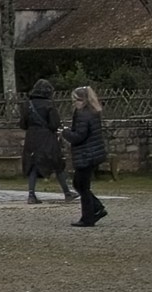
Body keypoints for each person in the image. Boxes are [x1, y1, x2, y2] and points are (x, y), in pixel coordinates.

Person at [20, 77, 71, 205]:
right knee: (56, 163)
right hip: (47, 137)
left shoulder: (28, 104)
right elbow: (55, 124)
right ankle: (67, 192)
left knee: (33, 164)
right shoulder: (49, 105)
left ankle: (31, 194)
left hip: (32, 137)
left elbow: (23, 124)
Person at [69, 84, 109, 227]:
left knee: (82, 186)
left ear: (82, 100)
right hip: (92, 152)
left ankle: (88, 217)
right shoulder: (92, 111)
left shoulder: (83, 114)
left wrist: (65, 133)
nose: (74, 103)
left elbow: (79, 136)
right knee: (79, 184)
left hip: (86, 154)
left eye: (76, 100)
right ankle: (96, 208)